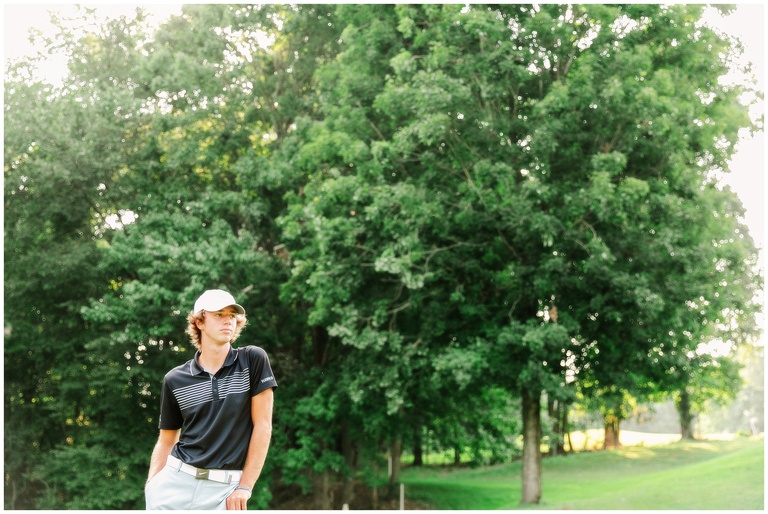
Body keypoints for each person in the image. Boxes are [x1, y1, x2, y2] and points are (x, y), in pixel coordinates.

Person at [145, 289, 277, 510]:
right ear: (200, 322)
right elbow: (167, 438)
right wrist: (152, 486)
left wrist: (245, 487)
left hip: (225, 491)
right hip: (175, 483)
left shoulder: (252, 360)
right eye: (219, 314)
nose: (228, 321)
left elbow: (263, 426)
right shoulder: (175, 379)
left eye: (232, 315)